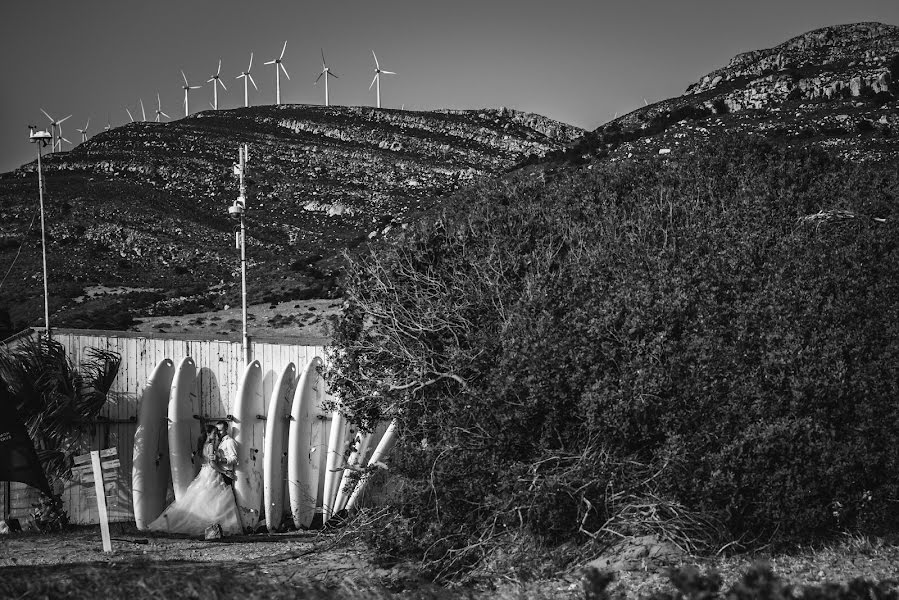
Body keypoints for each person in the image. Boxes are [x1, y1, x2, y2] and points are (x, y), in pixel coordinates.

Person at [148, 424, 242, 536]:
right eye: (214, 432)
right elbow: (212, 463)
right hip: (212, 472)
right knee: (215, 499)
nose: (216, 434)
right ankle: (216, 524)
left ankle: (211, 524)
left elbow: (206, 461)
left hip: (204, 472)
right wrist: (224, 471)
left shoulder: (203, 445)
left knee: (205, 499)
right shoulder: (211, 445)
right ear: (208, 434)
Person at [215, 420, 238, 486]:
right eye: (217, 431)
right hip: (220, 471)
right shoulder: (219, 441)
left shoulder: (230, 441)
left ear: (226, 429)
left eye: (220, 430)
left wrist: (221, 460)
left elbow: (234, 458)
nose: (218, 433)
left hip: (226, 473)